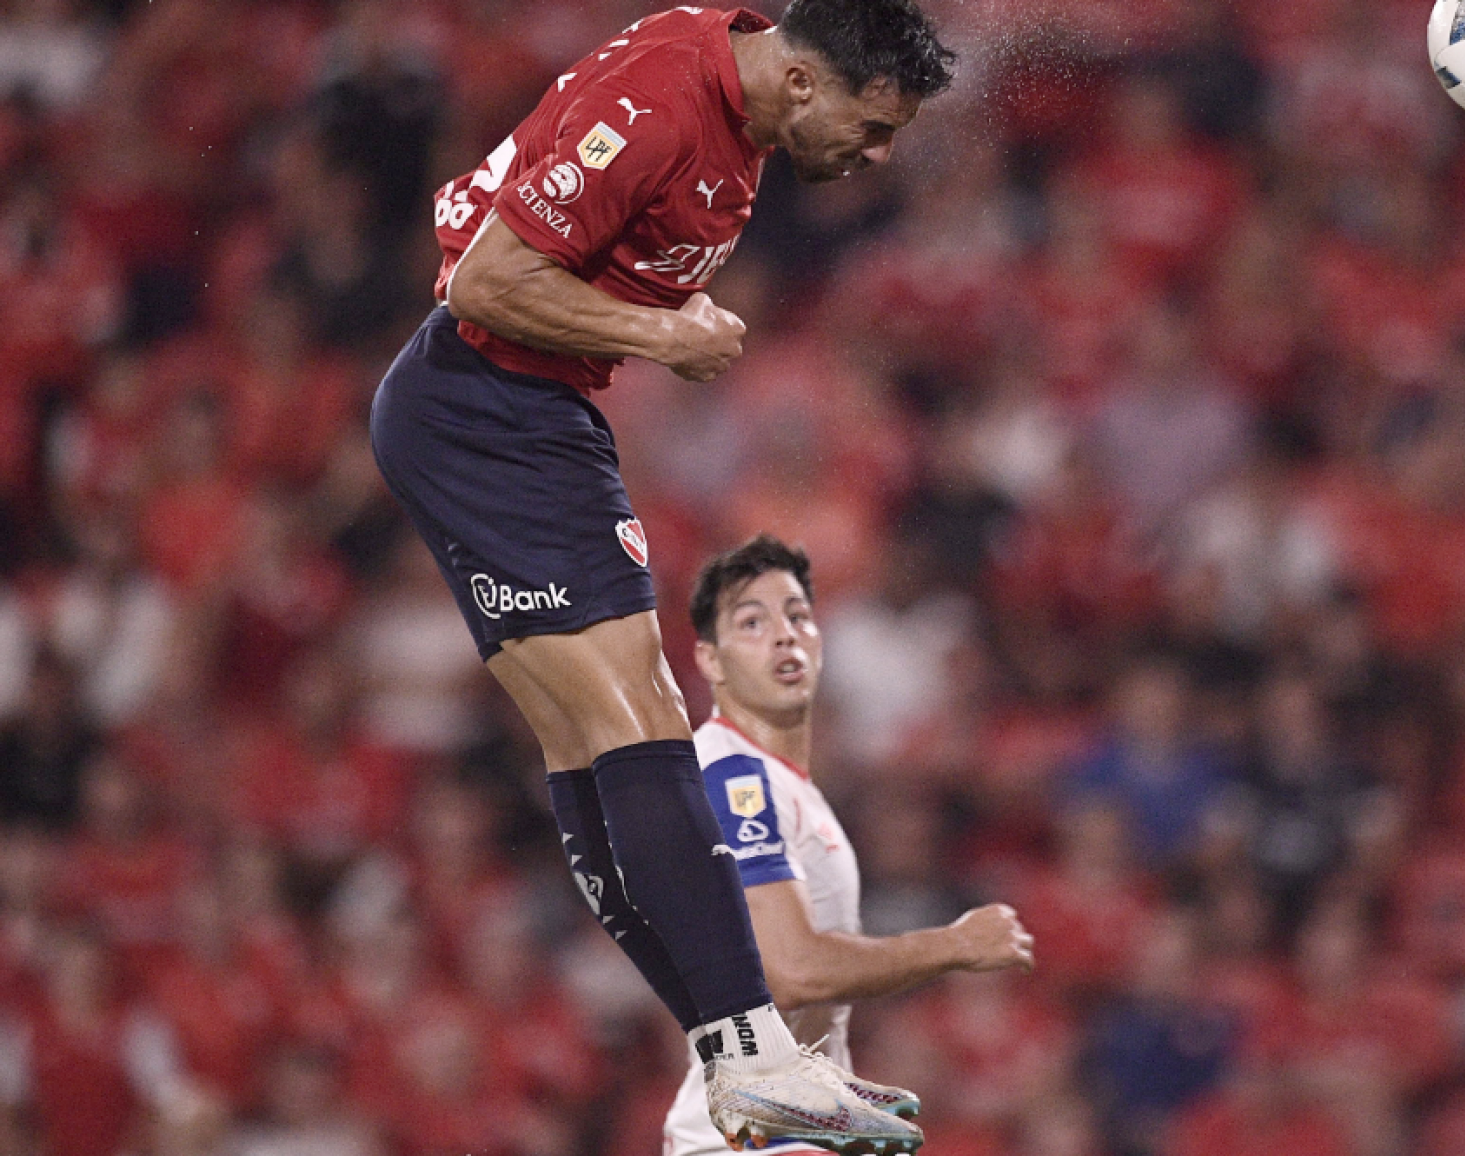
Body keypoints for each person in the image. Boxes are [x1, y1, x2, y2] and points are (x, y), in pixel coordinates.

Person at [364, 2, 956, 1150]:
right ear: (800, 84)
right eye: (873, 127)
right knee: (642, 721)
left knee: (596, 740)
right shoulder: (660, 108)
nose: (878, 155)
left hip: (516, 414)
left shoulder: (731, 80)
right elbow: (484, 285)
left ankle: (750, 1058)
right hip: (487, 409)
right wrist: (667, 337)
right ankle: (751, 1050)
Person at [665, 534, 1036, 1156]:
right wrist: (956, 944)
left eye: (798, 617)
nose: (784, 637)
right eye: (752, 623)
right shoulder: (735, 777)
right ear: (711, 661)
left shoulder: (791, 786)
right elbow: (793, 971)